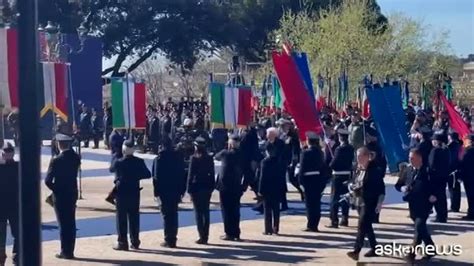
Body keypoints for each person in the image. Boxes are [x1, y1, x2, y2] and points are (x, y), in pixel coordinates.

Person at [396, 148, 437, 262]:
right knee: (420, 227)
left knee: (419, 225)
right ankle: (430, 248)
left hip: (425, 203)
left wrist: (433, 195)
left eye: (412, 158)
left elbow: (437, 185)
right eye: (409, 158)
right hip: (412, 203)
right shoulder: (408, 170)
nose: (410, 160)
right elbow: (398, 185)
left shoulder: (428, 170)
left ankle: (412, 252)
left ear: (420, 158)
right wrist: (402, 188)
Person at [44, 134, 81, 259]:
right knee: (71, 222)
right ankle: (70, 250)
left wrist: (57, 189)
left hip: (60, 195)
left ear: (59, 144)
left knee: (63, 224)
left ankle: (65, 251)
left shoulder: (56, 160)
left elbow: (48, 181)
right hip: (72, 193)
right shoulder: (76, 158)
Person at [110, 140, 151, 251]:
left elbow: (111, 168)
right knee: (134, 218)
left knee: (121, 219)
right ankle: (135, 241)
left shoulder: (119, 162)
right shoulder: (139, 161)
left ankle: (122, 242)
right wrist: (136, 176)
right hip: (134, 192)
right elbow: (147, 174)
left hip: (121, 194)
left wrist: (115, 155)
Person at [347, 147, 385, 261]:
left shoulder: (375, 171)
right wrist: (351, 187)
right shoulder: (357, 169)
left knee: (361, 226)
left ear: (367, 157)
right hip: (359, 201)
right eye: (357, 156)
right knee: (367, 226)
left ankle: (356, 250)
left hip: (370, 203)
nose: (358, 159)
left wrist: (379, 203)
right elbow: (353, 181)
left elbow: (381, 189)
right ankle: (375, 248)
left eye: (360, 157)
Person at [153, 137, 186, 248]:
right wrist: (182, 190)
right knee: (174, 214)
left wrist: (156, 193)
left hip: (164, 191)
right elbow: (183, 174)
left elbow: (156, 178)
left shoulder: (159, 158)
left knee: (166, 215)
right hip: (176, 190)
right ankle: (173, 238)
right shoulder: (178, 157)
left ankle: (168, 239)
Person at [215, 134, 247, 241]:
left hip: (225, 186)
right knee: (235, 210)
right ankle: (236, 233)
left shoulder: (226, 153)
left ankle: (229, 232)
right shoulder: (242, 154)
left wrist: (227, 147)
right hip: (237, 186)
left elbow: (216, 156)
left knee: (226, 210)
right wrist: (244, 186)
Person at [298, 132, 330, 232]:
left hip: (308, 180)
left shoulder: (305, 153)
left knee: (309, 203)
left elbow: (302, 168)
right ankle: (315, 224)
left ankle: (311, 224)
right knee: (316, 203)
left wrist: (300, 181)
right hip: (318, 179)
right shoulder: (320, 152)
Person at [187, 137, 215, 244]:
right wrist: (211, 187)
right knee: (205, 212)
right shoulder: (209, 158)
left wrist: (189, 190)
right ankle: (205, 235)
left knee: (198, 213)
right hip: (207, 187)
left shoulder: (194, 158)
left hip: (196, 188)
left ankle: (201, 235)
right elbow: (212, 174)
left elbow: (190, 175)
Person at [328, 128, 354, 228]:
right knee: (345, 197)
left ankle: (334, 220)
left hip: (337, 175)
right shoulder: (351, 148)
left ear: (340, 138)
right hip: (347, 175)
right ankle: (344, 218)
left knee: (334, 198)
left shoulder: (339, 149)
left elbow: (334, 163)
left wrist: (330, 164)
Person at [259, 143, 286, 235]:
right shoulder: (279, 161)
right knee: (276, 209)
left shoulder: (264, 162)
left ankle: (268, 229)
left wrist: (260, 190)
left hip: (267, 188)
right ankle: (276, 228)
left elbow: (262, 177)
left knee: (267, 210)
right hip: (277, 188)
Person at [0, 143, 19, 265]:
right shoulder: (19, 167)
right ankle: (15, 253)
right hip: (13, 205)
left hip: (5, 205)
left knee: (4, 232)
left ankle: (5, 253)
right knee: (16, 231)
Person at [428, 133, 451, 223]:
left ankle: (439, 216)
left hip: (435, 177)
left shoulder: (435, 151)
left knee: (436, 197)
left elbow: (431, 164)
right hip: (444, 176)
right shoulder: (446, 150)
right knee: (442, 196)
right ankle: (443, 215)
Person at [459, 134, 474, 220]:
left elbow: (464, 165)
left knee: (471, 196)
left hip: (469, 177)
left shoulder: (469, 152)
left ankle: (471, 214)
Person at [447, 132, 462, 212]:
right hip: (457, 170)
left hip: (453, 171)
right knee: (456, 189)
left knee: (453, 189)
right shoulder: (459, 145)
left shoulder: (452, 146)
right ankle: (455, 206)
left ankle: (454, 206)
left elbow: (451, 159)